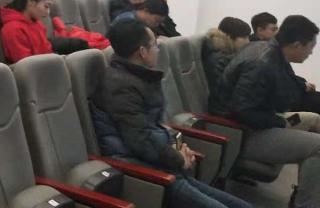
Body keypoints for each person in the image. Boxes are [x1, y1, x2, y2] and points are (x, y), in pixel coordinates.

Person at [91, 20, 251, 208]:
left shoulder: (136, 78)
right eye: (155, 45)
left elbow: (155, 127)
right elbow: (140, 140)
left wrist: (178, 147)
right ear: (142, 52)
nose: (158, 50)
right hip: (139, 169)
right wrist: (177, 158)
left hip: (157, 162)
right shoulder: (121, 86)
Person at [218, 15, 320, 208]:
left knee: (314, 119)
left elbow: (285, 84)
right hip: (242, 134)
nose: (311, 52)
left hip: (261, 122)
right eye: (310, 47)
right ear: (297, 45)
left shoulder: (272, 53)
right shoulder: (262, 63)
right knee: (318, 146)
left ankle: (309, 190)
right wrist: (280, 122)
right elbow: (241, 111)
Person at [202, 17, 251, 114]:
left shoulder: (225, 55)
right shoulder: (220, 60)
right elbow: (222, 94)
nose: (248, 42)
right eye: (244, 37)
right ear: (229, 36)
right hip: (222, 112)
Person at [0, 0, 56, 64]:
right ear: (31, 0)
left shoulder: (38, 25)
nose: (48, 12)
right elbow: (26, 65)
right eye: (46, 6)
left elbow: (48, 52)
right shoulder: (13, 29)